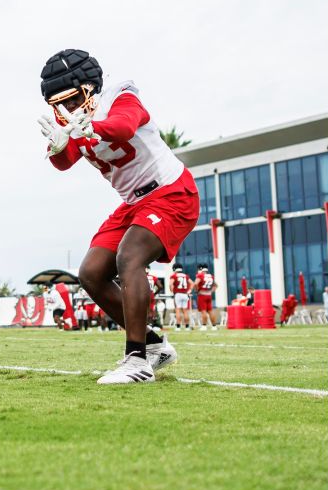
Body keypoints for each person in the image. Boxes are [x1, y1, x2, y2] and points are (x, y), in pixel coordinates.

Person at [38, 48, 197, 384]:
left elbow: (123, 127)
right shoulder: (76, 120)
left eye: (71, 99)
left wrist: (92, 127)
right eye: (59, 104)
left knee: (129, 257)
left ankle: (136, 360)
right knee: (91, 273)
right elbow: (65, 160)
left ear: (90, 88)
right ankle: (154, 345)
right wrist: (55, 147)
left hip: (169, 191)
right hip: (132, 203)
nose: (66, 110)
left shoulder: (120, 97)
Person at [192, 263, 218, 330]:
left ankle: (204, 326)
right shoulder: (211, 276)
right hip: (209, 295)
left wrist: (197, 290)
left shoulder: (200, 275)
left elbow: (195, 284)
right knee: (210, 311)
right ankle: (214, 326)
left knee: (203, 311)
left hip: (202, 295)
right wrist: (211, 291)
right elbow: (216, 285)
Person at [168, 262, 192, 331]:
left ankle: (178, 326)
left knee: (178, 310)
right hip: (185, 294)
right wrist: (189, 291)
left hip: (178, 294)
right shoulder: (185, 275)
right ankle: (187, 326)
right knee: (185, 311)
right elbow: (192, 283)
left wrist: (172, 291)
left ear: (174, 268)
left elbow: (170, 284)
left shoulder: (174, 276)